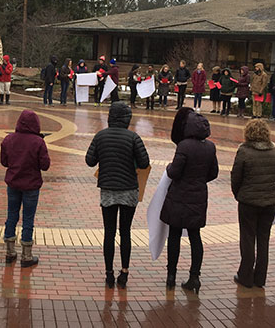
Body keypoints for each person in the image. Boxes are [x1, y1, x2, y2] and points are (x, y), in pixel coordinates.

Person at [86, 102, 150, 289]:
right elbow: (144, 162)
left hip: (108, 189)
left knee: (109, 232)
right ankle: (124, 272)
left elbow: (90, 161)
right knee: (125, 232)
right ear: (127, 119)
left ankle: (108, 274)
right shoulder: (133, 137)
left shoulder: (100, 136)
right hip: (129, 189)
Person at [161, 108, 219, 293]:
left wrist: (170, 167)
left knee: (175, 236)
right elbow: (214, 173)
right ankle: (194, 276)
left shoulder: (184, 145)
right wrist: (198, 180)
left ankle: (171, 276)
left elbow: (174, 172)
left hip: (179, 197)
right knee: (195, 237)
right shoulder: (210, 147)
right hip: (199, 197)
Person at [230, 120, 275, 288]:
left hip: (248, 201)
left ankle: (245, 276)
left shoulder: (244, 151)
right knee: (264, 240)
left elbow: (236, 177)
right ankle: (260, 278)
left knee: (247, 238)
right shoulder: (274, 151)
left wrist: (239, 194)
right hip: (269, 201)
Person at [1, 110, 51, 266]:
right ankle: (26, 255)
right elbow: (45, 165)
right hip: (31, 185)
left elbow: (4, 162)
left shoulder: (8, 139)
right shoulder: (38, 142)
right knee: (28, 219)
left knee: (11, 216)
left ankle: (10, 252)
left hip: (13, 183)